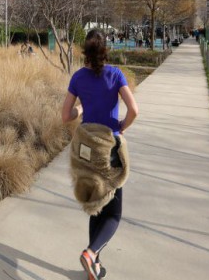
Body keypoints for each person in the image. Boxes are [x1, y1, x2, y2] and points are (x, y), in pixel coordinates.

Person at [61, 29, 138, 280]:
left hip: (86, 149)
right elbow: (134, 110)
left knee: (95, 206)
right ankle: (91, 253)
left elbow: (66, 116)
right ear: (106, 49)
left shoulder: (78, 78)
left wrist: (81, 109)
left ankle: (94, 264)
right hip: (109, 148)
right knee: (114, 214)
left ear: (85, 50)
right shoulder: (115, 74)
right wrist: (121, 127)